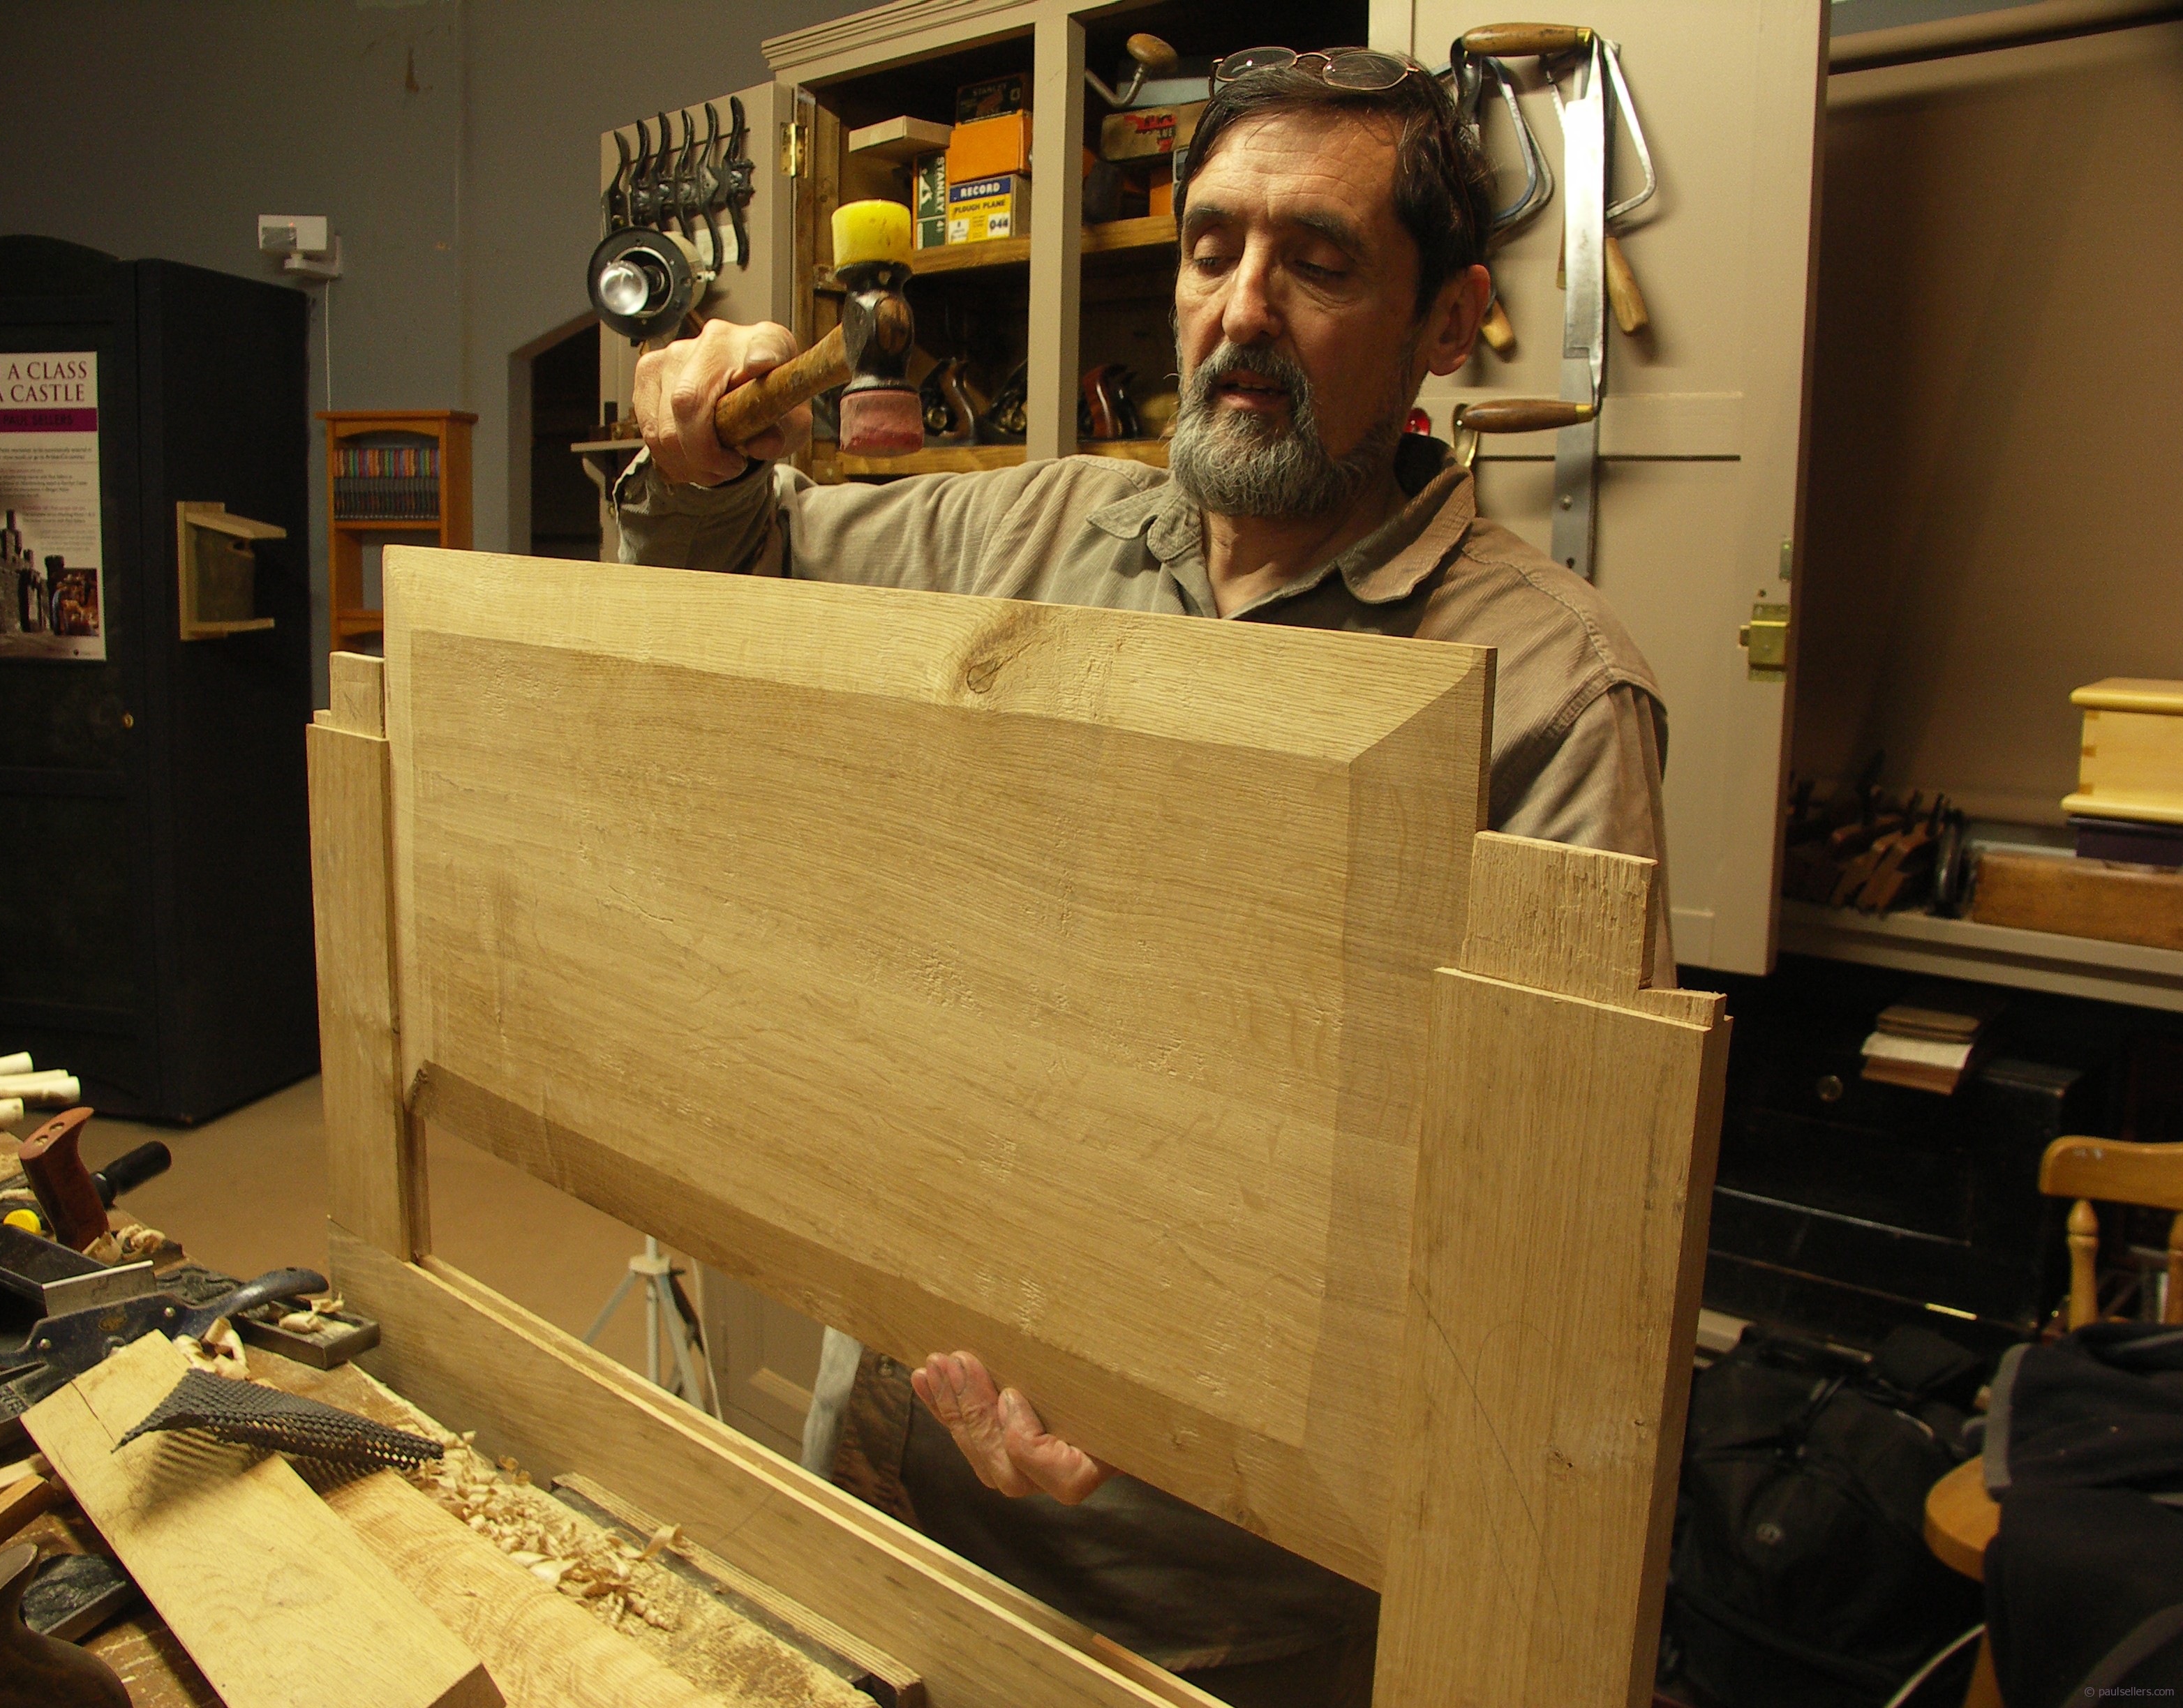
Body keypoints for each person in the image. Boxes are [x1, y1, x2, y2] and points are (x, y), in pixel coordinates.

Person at [617, 44, 1673, 1707]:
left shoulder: (1548, 695)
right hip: (894, 1459)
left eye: (1319, 263)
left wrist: (1178, 1374)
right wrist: (699, 452)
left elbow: (1534, 1253)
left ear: (1450, 323)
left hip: (1222, 1595)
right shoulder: (1028, 535)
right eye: (1211, 250)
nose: (1243, 309)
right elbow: (727, 565)